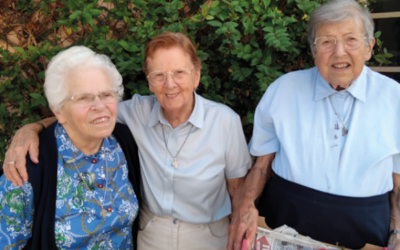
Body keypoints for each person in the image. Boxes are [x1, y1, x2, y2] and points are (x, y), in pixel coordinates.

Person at [2, 32, 252, 250]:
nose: (170, 84)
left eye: (179, 73)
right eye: (159, 75)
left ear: (196, 76)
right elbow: (78, 115)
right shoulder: (131, 116)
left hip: (208, 238)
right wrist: (30, 129)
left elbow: (238, 190)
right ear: (149, 81)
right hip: (152, 238)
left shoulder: (222, 122)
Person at [227, 0, 400, 249]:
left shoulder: (395, 99)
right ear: (314, 50)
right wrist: (245, 206)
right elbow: (261, 167)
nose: (339, 52)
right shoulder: (283, 90)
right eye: (327, 41)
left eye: (351, 39)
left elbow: (396, 185)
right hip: (284, 226)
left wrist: (396, 232)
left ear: (369, 47)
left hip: (365, 233)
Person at [0, 46, 142, 249]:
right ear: (58, 110)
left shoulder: (124, 142)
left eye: (106, 94)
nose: (100, 106)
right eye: (83, 98)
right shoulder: (27, 168)